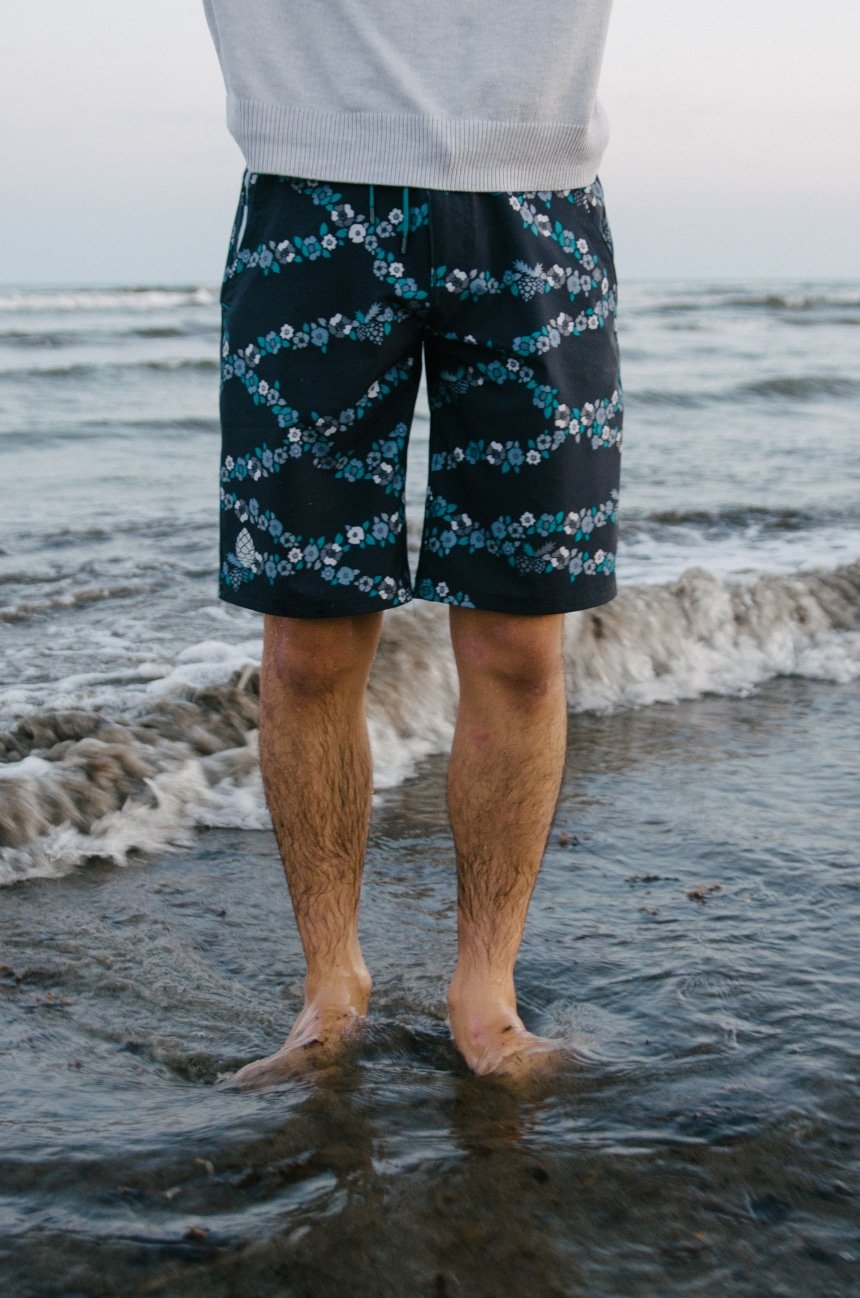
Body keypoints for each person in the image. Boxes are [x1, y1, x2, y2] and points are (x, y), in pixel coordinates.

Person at [203, 0, 622, 1085]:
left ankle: (486, 993)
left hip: (535, 204)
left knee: (519, 650)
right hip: (310, 194)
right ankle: (328, 986)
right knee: (310, 645)